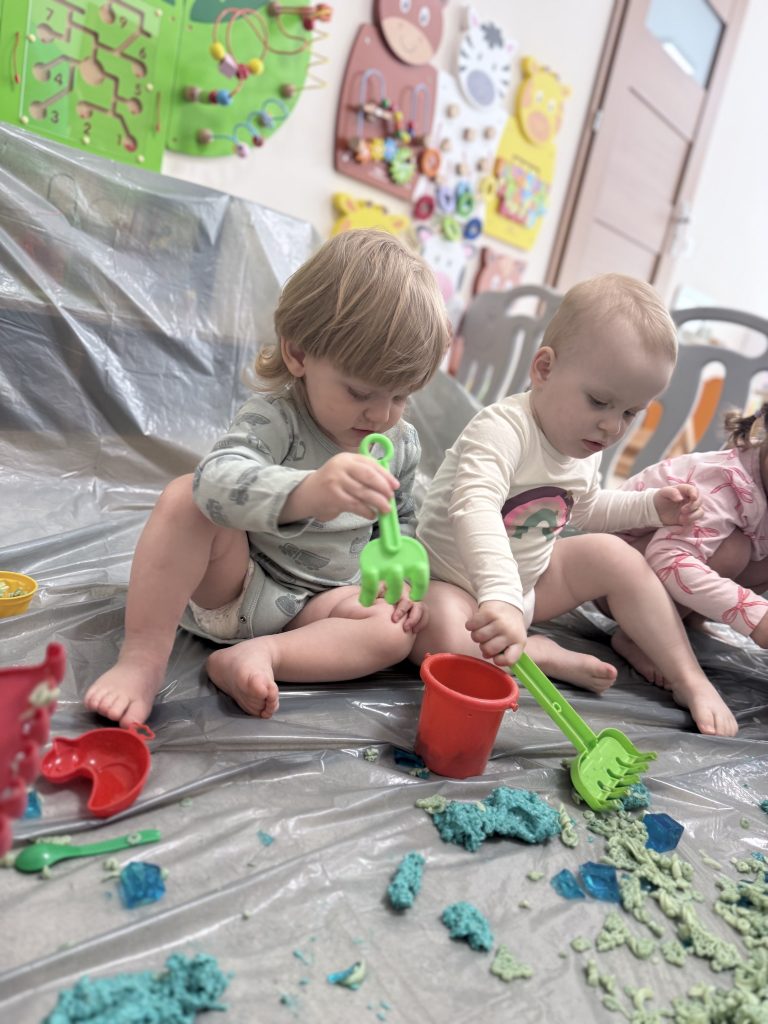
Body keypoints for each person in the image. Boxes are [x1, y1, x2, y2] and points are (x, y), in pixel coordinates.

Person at [84, 229, 451, 727]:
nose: (382, 414)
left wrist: (398, 581)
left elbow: (400, 522)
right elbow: (215, 483)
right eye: (360, 392)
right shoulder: (277, 419)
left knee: (393, 632)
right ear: (298, 354)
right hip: (237, 585)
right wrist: (307, 492)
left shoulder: (399, 444)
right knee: (184, 499)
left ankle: (262, 656)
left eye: (401, 396)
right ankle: (142, 660)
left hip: (321, 608)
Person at [411, 273, 738, 737]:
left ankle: (690, 678)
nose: (612, 427)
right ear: (544, 369)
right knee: (433, 630)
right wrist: (501, 599)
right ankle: (536, 654)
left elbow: (586, 510)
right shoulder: (502, 431)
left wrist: (651, 508)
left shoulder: (584, 444)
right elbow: (475, 507)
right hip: (456, 585)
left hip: (529, 586)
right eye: (599, 402)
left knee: (616, 555)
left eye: (630, 413)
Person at [608, 403, 768, 669]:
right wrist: (754, 615)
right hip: (615, 580)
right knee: (733, 549)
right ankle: (637, 637)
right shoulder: (724, 483)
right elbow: (669, 557)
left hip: (662, 571)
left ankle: (689, 617)